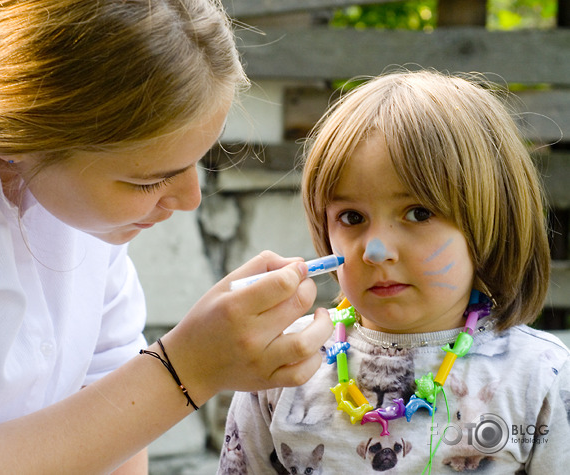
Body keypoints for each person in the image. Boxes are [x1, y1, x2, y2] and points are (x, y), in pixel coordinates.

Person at [0, 1, 335, 473]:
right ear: (25, 135)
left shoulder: (70, 189)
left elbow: (114, 401)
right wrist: (191, 366)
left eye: (197, 159)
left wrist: (182, 368)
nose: (191, 199)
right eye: (149, 180)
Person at [218, 70, 570, 474]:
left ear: (490, 220)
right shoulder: (284, 363)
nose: (375, 250)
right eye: (351, 217)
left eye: (418, 213)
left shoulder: (539, 378)